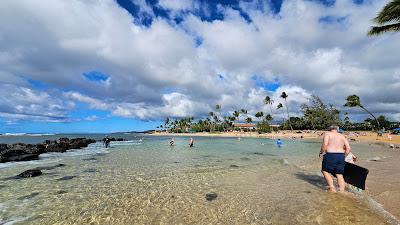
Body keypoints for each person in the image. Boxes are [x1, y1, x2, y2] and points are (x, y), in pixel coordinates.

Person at [319, 124, 351, 193]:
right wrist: (344, 156)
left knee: (325, 171)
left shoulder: (327, 134)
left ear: (329, 129)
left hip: (330, 155)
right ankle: (342, 191)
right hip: (341, 156)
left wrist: (321, 152)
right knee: (339, 174)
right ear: (337, 129)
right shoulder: (342, 136)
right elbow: (348, 148)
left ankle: (332, 188)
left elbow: (325, 144)